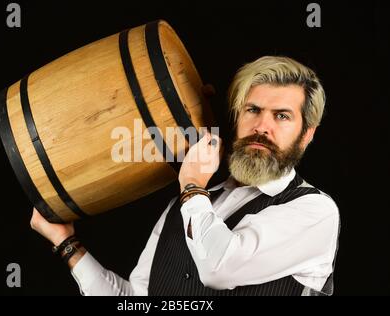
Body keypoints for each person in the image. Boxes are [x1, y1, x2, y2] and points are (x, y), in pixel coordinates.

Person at [30, 56, 340, 296]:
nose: (262, 126)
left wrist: (191, 185)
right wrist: (66, 242)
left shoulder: (314, 212)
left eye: (282, 116)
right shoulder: (190, 203)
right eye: (253, 110)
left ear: (306, 134)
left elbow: (219, 266)